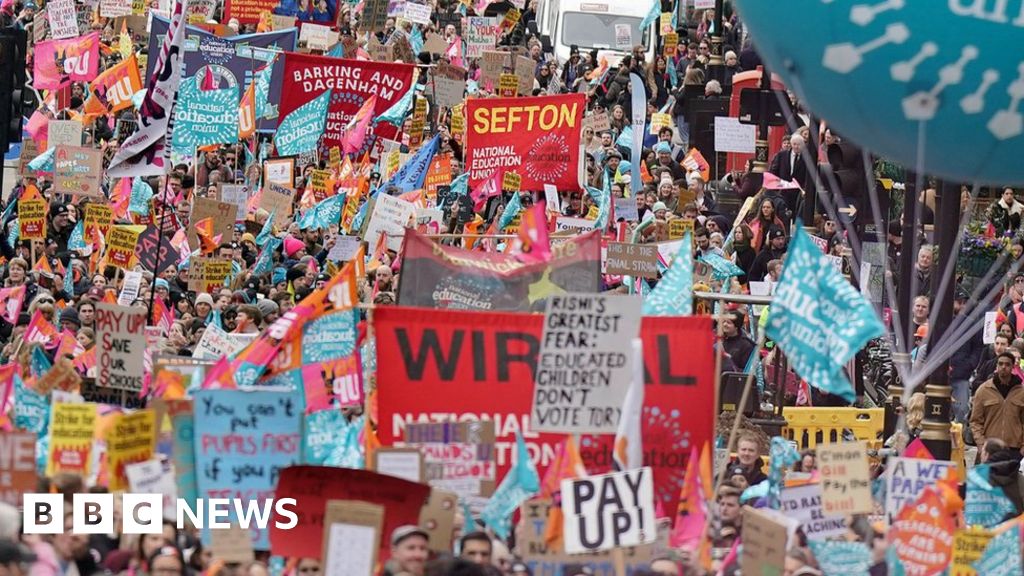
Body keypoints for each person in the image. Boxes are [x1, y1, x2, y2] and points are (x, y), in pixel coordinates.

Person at [970, 352, 1024, 452]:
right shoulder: (984, 390)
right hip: (990, 448)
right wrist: (981, 444)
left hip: (1014, 448)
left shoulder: (1021, 392)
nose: (1003, 367)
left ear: (1013, 367)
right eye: (1000, 364)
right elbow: (975, 421)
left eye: (1007, 364)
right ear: (996, 366)